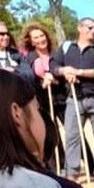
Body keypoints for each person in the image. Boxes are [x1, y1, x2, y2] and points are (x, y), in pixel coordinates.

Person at [57, 18, 94, 183]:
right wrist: (64, 71)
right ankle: (72, 172)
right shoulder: (66, 47)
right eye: (90, 28)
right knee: (72, 136)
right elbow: (54, 65)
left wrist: (78, 72)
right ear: (79, 28)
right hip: (74, 99)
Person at [19, 23, 68, 173]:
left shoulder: (56, 53)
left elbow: (61, 71)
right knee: (53, 134)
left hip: (62, 97)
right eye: (36, 37)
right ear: (31, 41)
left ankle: (89, 164)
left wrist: (55, 76)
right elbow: (35, 74)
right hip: (44, 100)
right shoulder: (31, 57)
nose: (40, 39)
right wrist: (46, 78)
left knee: (73, 133)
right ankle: (58, 167)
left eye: (42, 35)